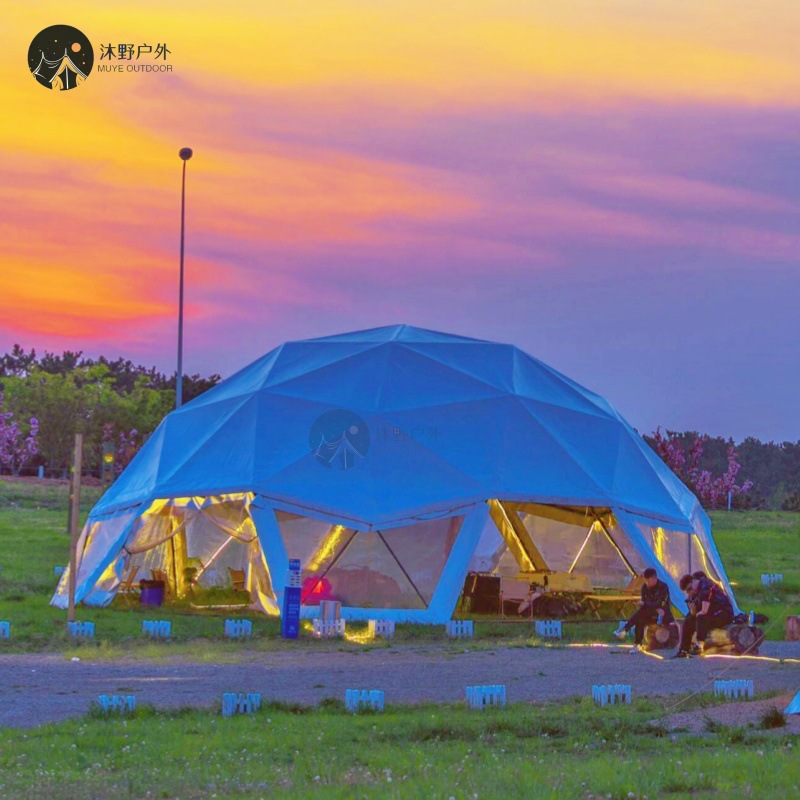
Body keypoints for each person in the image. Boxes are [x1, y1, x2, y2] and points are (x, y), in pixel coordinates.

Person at [673, 573, 734, 658]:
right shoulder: (693, 595)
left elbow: (704, 611)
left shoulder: (706, 586)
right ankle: (684, 649)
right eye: (687, 591)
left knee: (701, 617)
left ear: (693, 581)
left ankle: (699, 645)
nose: (690, 592)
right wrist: (692, 611)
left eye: (690, 588)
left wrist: (696, 613)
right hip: (711, 615)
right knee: (689, 619)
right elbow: (695, 614)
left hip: (724, 613)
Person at [613, 568, 673, 653]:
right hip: (649, 613)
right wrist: (648, 605)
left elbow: (661, 604)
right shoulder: (645, 587)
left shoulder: (663, 587)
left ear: (654, 578)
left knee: (643, 612)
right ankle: (637, 643)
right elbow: (649, 603)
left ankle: (624, 629)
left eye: (649, 581)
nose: (647, 583)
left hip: (662, 616)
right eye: (645, 581)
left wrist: (646, 604)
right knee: (640, 617)